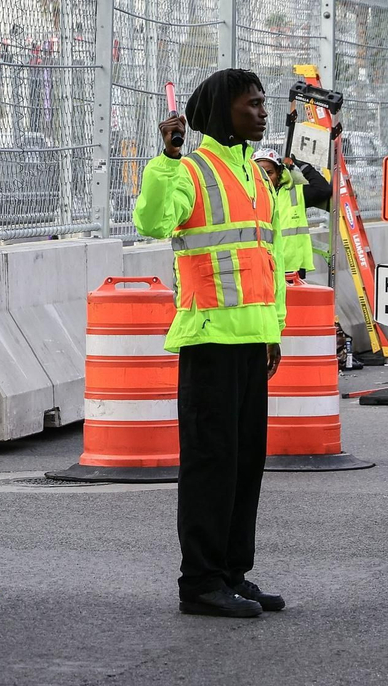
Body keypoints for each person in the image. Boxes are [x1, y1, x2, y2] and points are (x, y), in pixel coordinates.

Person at [133, 69, 288, 619]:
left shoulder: (256, 176)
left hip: (251, 341)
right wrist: (166, 158)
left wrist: (272, 331)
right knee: (211, 462)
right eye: (253, 104)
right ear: (225, 112)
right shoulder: (191, 168)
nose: (263, 112)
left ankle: (233, 573)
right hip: (208, 339)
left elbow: (265, 259)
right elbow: (153, 221)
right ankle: (199, 580)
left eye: (264, 103)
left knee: (246, 464)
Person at [252, 139, 333, 282]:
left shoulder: (295, 193)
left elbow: (323, 189)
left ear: (279, 173)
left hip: (291, 268)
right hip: (262, 267)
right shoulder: (248, 197)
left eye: (269, 173)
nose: (265, 178)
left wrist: (303, 165)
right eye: (260, 173)